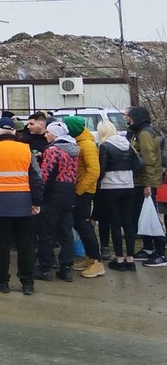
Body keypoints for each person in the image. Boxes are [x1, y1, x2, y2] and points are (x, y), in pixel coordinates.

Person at [0, 117, 44, 295]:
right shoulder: (25, 149)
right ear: (15, 132)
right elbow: (36, 178)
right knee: (26, 245)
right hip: (23, 204)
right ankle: (27, 282)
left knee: (2, 245)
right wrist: (36, 202)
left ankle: (2, 280)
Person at [34, 121, 80, 283]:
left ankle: (45, 267)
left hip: (52, 195)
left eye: (48, 132)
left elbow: (44, 176)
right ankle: (66, 268)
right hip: (69, 193)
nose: (45, 135)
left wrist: (37, 196)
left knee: (47, 232)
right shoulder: (73, 150)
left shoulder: (53, 151)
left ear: (55, 134)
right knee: (66, 232)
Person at [125, 106, 167, 266]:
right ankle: (148, 248)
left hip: (145, 183)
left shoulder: (144, 134)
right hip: (140, 181)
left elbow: (149, 161)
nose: (126, 119)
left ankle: (161, 252)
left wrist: (148, 184)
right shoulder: (138, 132)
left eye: (129, 116)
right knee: (141, 215)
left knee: (151, 217)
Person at [63, 116, 104, 279]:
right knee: (80, 225)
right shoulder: (79, 142)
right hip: (81, 190)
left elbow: (94, 171)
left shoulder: (86, 145)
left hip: (84, 191)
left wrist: (79, 190)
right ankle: (90, 258)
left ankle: (97, 261)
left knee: (84, 225)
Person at [96, 120, 138, 271]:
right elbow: (136, 164)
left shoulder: (105, 146)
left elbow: (101, 169)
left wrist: (97, 182)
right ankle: (131, 259)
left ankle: (119, 259)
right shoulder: (127, 144)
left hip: (110, 187)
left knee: (114, 222)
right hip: (128, 185)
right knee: (127, 222)